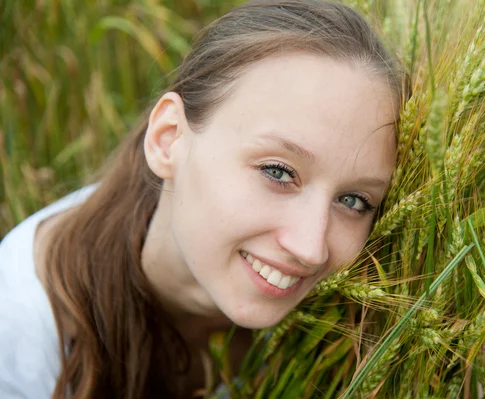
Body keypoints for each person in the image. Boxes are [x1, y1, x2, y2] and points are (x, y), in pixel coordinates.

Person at [0, 0, 410, 397]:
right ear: (169, 140)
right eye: (278, 172)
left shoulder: (355, 332)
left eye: (354, 201)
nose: (310, 249)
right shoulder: (19, 337)